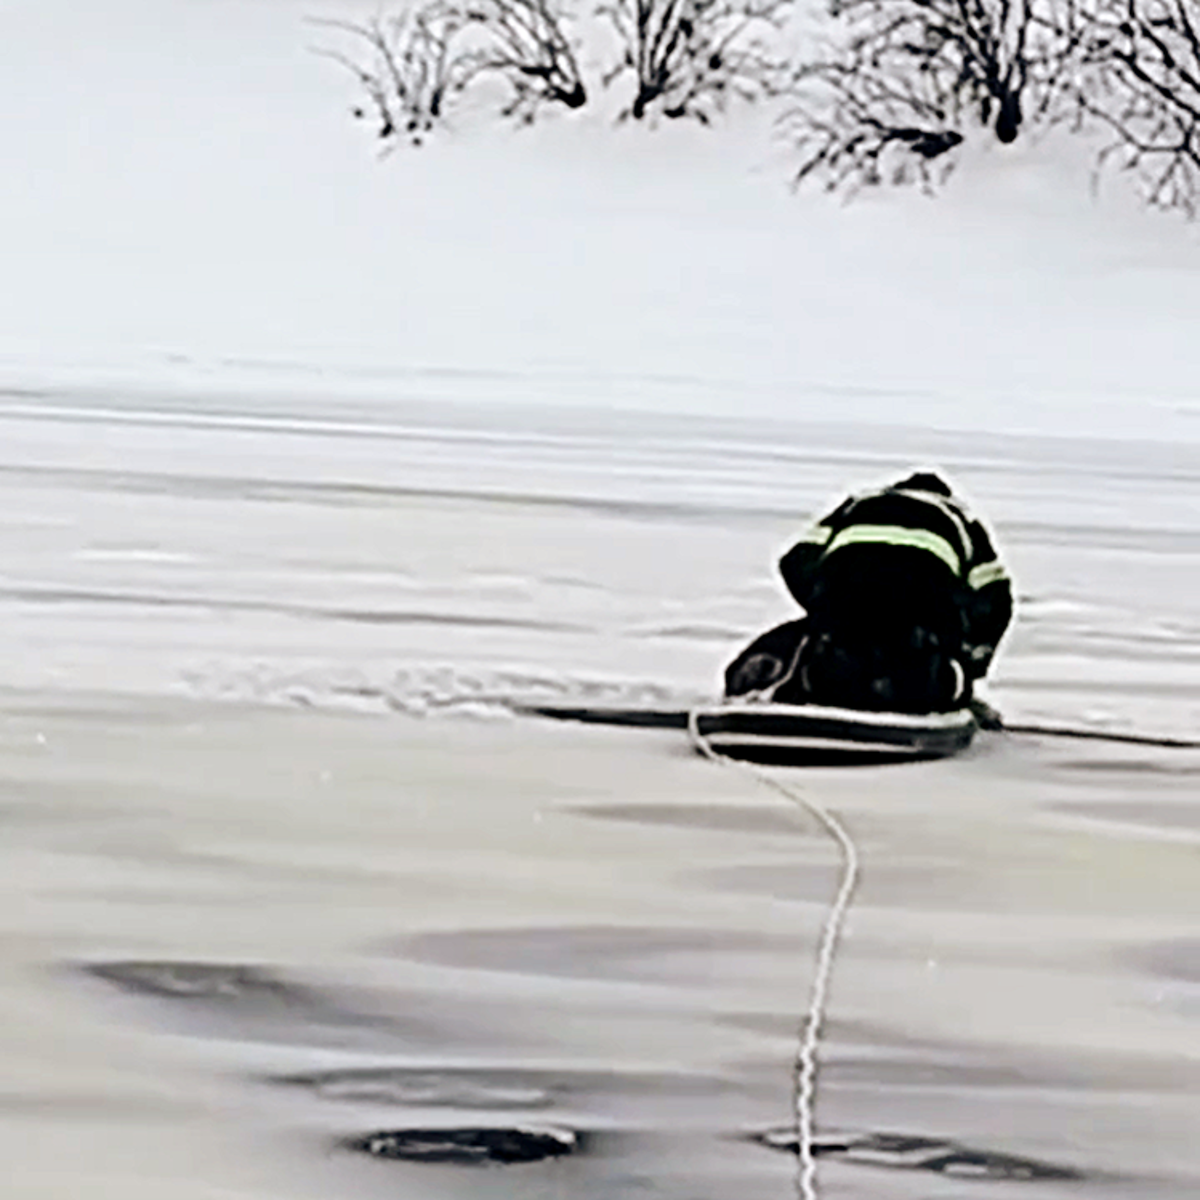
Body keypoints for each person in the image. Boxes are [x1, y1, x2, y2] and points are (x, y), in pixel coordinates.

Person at [724, 470, 1013, 715]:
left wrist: (821, 608)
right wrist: (970, 658)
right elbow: (996, 598)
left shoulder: (858, 503)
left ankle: (799, 674)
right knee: (919, 667)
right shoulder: (962, 519)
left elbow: (796, 559)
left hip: (846, 593)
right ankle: (929, 685)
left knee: (835, 649)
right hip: (919, 603)